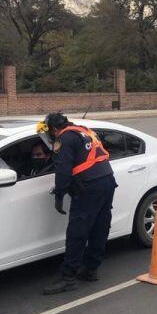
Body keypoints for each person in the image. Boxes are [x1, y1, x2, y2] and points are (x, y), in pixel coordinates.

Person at [40, 113, 118, 294]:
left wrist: (59, 194)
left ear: (52, 129)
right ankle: (91, 269)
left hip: (88, 187)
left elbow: (62, 171)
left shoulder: (64, 139)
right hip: (107, 181)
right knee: (100, 227)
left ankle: (68, 277)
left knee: (77, 232)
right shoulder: (84, 131)